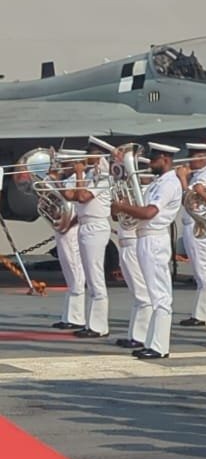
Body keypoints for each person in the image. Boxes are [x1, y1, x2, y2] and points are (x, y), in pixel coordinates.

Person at [112, 142, 184, 360]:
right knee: (154, 294)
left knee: (160, 296)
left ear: (165, 159)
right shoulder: (157, 183)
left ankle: (160, 346)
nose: (150, 164)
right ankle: (151, 341)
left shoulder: (169, 183)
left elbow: (150, 212)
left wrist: (123, 207)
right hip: (144, 238)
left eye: (153, 159)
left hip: (154, 238)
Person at [68, 138, 115, 339]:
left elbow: (82, 197)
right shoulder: (90, 176)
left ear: (100, 157)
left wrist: (78, 173)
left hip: (96, 226)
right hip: (85, 224)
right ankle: (92, 322)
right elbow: (71, 194)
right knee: (89, 276)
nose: (87, 157)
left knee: (95, 276)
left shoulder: (103, 178)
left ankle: (99, 326)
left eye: (91, 153)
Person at [177, 142, 206, 327]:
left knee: (202, 270)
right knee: (198, 271)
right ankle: (199, 313)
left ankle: (204, 315)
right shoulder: (198, 176)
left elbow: (192, 202)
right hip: (191, 224)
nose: (190, 161)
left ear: (202, 158)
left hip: (198, 226)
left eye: (193, 157)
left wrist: (182, 179)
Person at [48, 157, 86, 332]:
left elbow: (73, 198)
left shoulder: (80, 178)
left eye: (65, 164)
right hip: (63, 227)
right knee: (68, 271)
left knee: (75, 270)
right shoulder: (68, 179)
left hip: (72, 228)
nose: (62, 167)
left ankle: (77, 317)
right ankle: (69, 315)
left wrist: (55, 181)